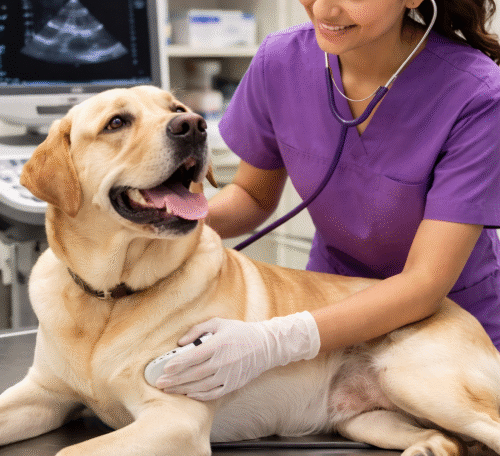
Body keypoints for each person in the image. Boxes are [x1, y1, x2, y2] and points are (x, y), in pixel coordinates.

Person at [155, 0, 500, 401]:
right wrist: (167, 219)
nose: (323, 8)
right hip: (329, 302)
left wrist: (276, 340)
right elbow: (251, 196)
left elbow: (424, 283)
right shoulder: (281, 60)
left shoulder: (477, 95)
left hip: (447, 327)